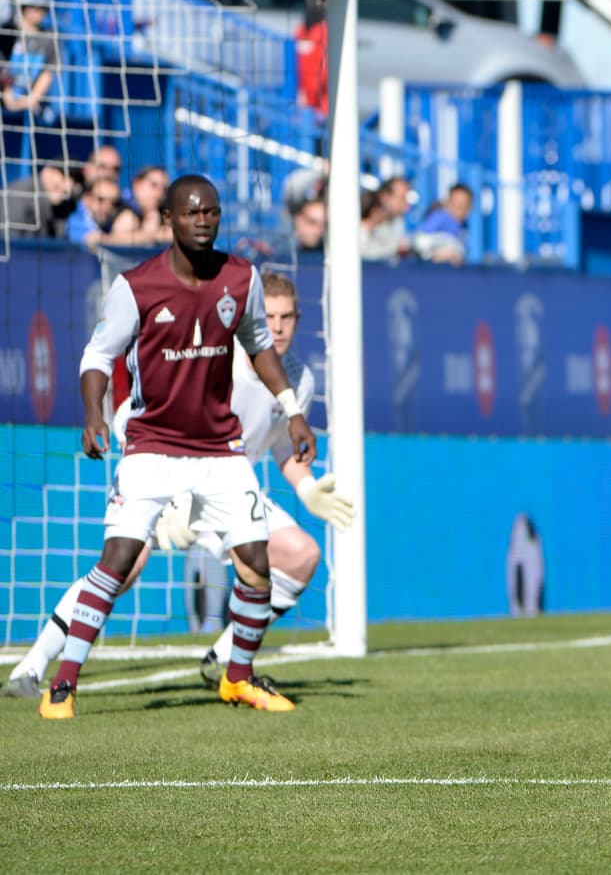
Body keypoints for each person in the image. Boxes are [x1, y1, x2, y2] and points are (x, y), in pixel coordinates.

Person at [32, 174, 318, 719]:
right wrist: (93, 413)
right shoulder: (136, 286)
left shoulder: (241, 278)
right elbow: (97, 357)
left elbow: (259, 345)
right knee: (117, 562)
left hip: (219, 448)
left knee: (256, 564)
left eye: (211, 212)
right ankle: (62, 683)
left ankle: (238, 678)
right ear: (168, 219)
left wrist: (294, 410)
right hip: (152, 446)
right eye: (191, 213)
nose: (203, 221)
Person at [2, 272, 355, 699]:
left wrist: (306, 488)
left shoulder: (298, 381)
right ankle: (33, 666)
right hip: (165, 474)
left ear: (299, 318)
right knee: (122, 569)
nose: (278, 327)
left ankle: (225, 661)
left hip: (226, 490)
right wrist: (177, 495)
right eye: (269, 316)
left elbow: (281, 448)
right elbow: (148, 413)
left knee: (301, 554)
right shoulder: (216, 360)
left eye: (287, 317)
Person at [0, 0, 63, 127]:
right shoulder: (7, 32)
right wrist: (7, 94)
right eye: (34, 6)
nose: (39, 11)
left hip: (32, 102)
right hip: (5, 95)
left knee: (48, 119)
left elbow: (48, 73)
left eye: (43, 8)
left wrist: (31, 99)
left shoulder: (49, 37)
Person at [413, 182, 472, 264]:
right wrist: (434, 254)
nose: (460, 209)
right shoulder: (440, 217)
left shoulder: (464, 226)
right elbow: (419, 241)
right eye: (456, 203)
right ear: (448, 202)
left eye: (464, 205)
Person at [358, 177, 414, 261]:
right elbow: (362, 252)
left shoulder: (396, 220)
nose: (406, 206)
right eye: (402, 198)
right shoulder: (359, 213)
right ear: (385, 196)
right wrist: (368, 224)